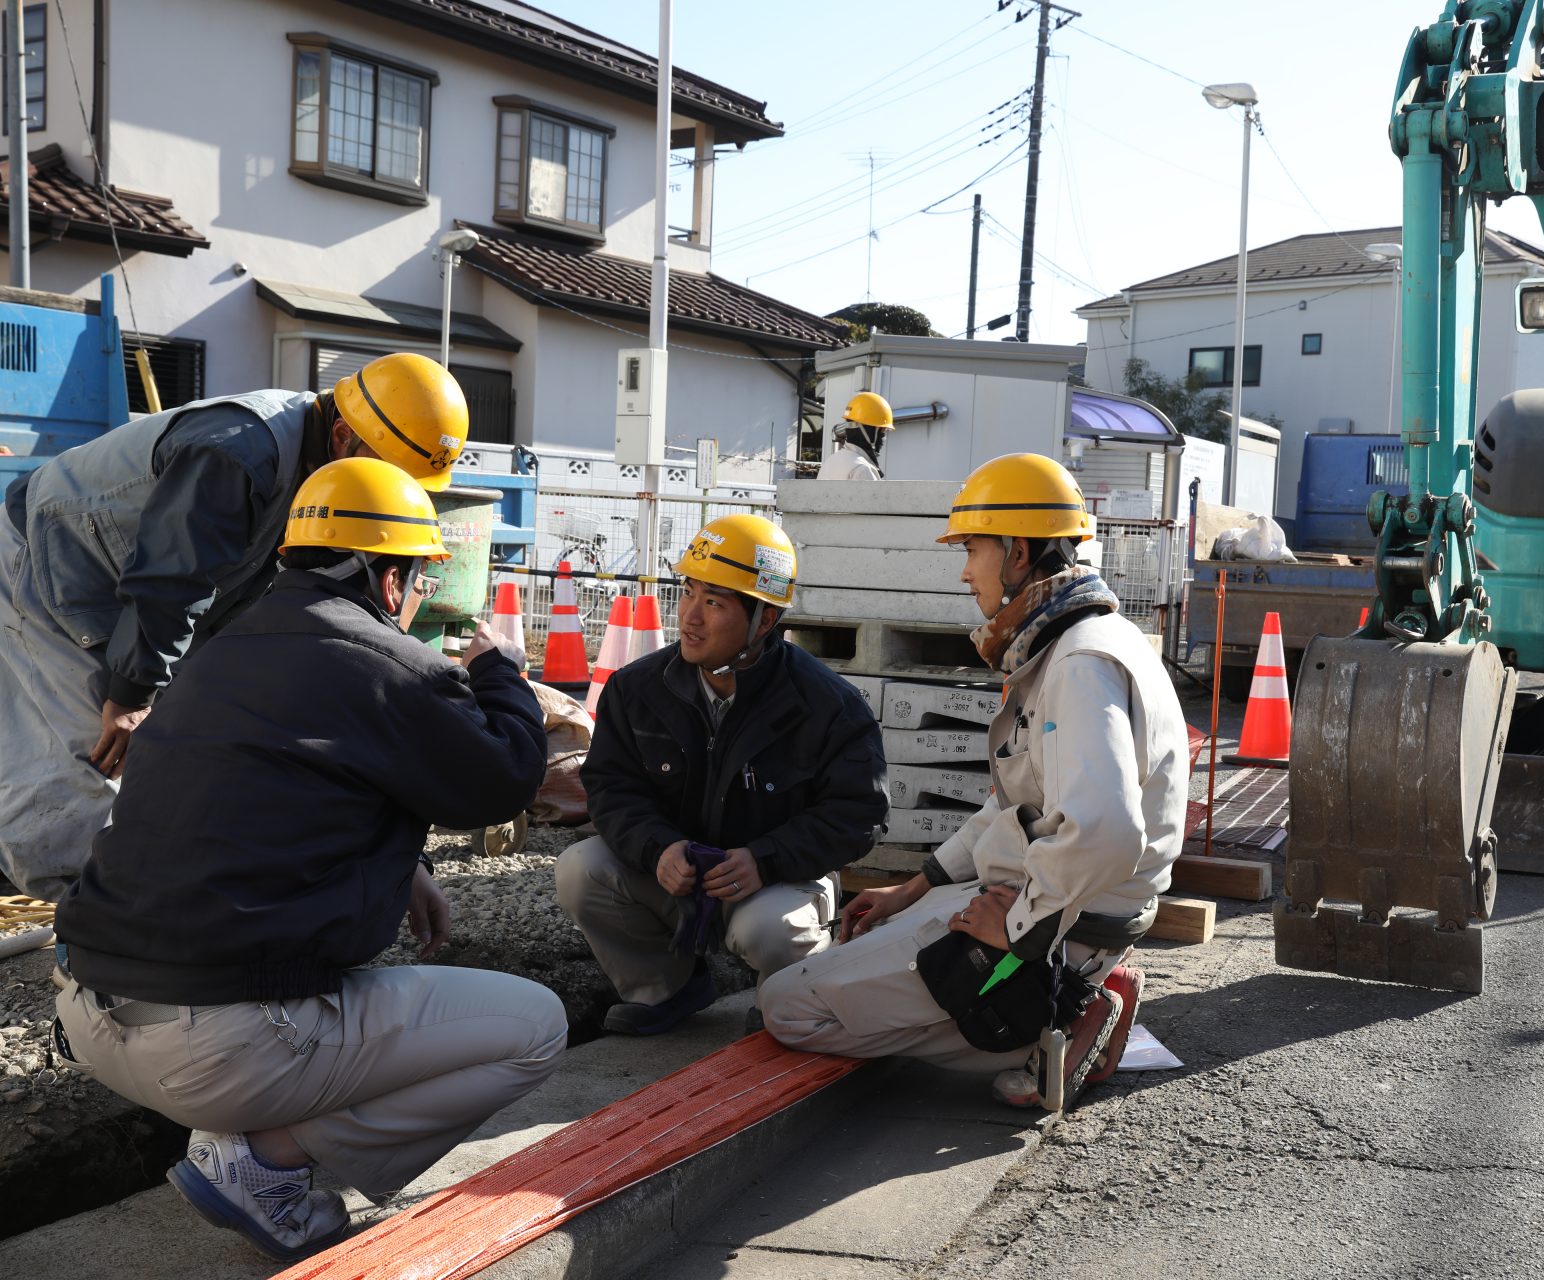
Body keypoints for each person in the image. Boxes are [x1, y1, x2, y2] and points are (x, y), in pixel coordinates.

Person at [50, 457, 562, 1262]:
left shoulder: (220, 651)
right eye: (419, 580)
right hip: (213, 1050)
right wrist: (501, 673)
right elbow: (500, 781)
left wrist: (405, 867)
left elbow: (264, 795)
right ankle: (266, 1164)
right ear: (390, 582)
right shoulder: (388, 660)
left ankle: (245, 1134)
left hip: (88, 1012)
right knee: (534, 1026)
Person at [761, 453, 1189, 1108]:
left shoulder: (1079, 665)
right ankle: (1063, 1001)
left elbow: (1105, 832)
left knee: (787, 1007)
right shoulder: (1080, 644)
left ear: (1018, 552)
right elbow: (1014, 806)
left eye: (973, 550)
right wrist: (911, 889)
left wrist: (1022, 929)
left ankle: (1058, 1022)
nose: (965, 572)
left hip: (1060, 928)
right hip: (1045, 905)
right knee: (866, 942)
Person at [0, 352, 471, 901]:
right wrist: (132, 693)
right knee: (94, 759)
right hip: (45, 560)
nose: (385, 490)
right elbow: (173, 578)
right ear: (343, 435)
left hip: (129, 590)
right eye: (385, 471)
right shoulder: (237, 452)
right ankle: (92, 932)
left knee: (169, 748)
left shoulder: (320, 471)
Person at [555, 513, 888, 1036]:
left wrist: (765, 859)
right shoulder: (635, 689)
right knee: (580, 868)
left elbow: (859, 814)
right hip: (677, 880)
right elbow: (611, 788)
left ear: (765, 620)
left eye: (714, 602)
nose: (690, 616)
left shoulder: (828, 706)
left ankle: (784, 1000)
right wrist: (658, 848)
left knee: (772, 932)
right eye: (688, 592)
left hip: (774, 884)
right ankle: (665, 988)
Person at [816, 391, 893, 480]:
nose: (883, 437)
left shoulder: (829, 462)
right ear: (870, 432)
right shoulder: (862, 469)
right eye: (883, 430)